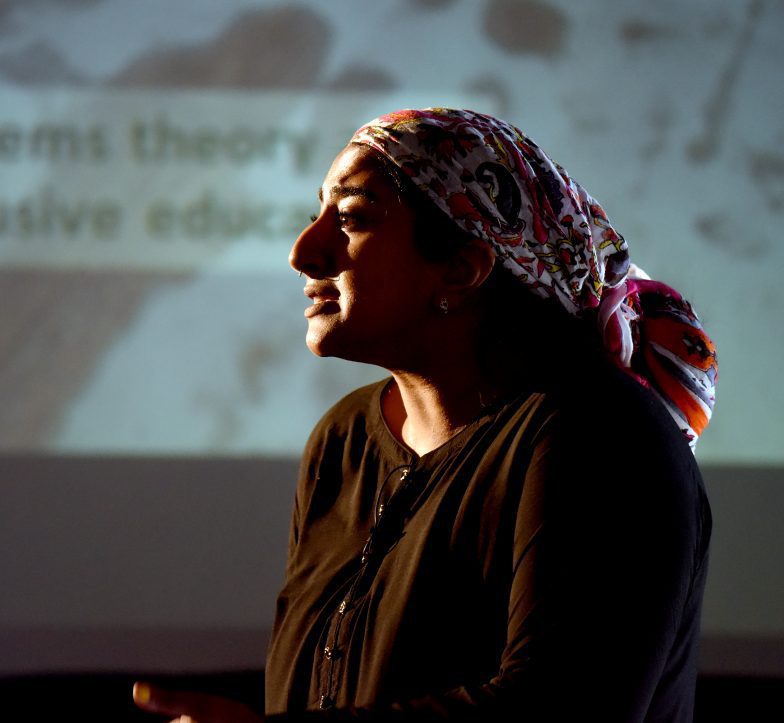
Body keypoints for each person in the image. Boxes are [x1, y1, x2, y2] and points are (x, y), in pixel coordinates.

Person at [133, 108, 717, 722]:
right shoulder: (344, 438)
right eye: (317, 215)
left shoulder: (601, 433)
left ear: (462, 269)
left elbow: (561, 706)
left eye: (353, 218)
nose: (304, 253)